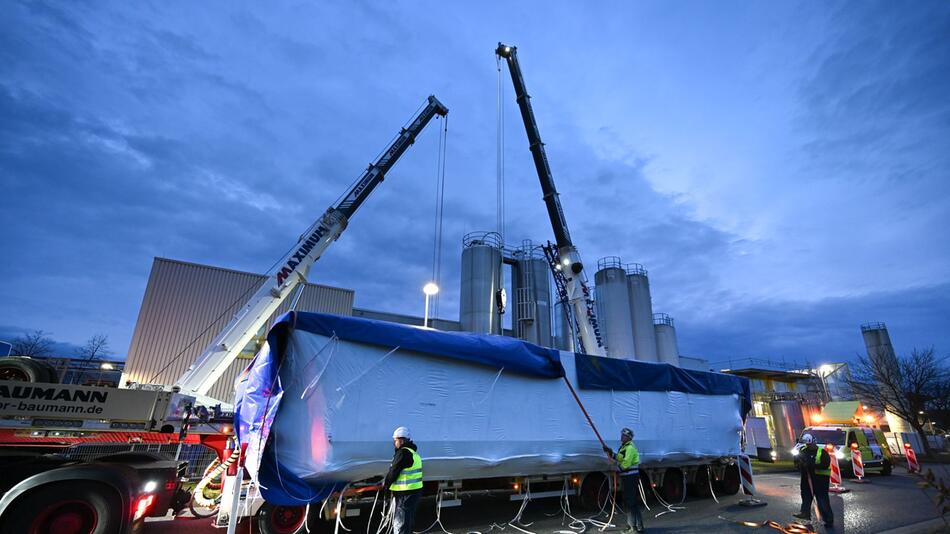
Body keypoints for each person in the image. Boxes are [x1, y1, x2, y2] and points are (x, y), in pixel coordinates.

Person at [603, 427, 644, 533]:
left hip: (630, 477)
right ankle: (637, 526)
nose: (621, 436)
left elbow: (625, 464)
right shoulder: (625, 447)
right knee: (632, 502)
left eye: (624, 435)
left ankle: (633, 527)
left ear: (628, 437)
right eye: (621, 434)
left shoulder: (630, 448)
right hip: (628, 477)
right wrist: (611, 453)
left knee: (630, 502)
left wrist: (615, 466)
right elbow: (621, 458)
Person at [384, 426, 423, 534]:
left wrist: (385, 485)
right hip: (413, 493)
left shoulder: (402, 453)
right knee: (407, 522)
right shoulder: (413, 453)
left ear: (401, 440)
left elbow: (393, 472)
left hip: (405, 494)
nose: (394, 443)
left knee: (400, 523)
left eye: (395, 440)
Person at [793, 433, 834, 528]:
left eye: (809, 444)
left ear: (814, 443)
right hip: (806, 479)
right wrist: (799, 465)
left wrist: (811, 465)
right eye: (807, 444)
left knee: (822, 500)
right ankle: (805, 514)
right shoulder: (802, 450)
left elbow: (825, 464)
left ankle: (828, 520)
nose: (808, 446)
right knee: (806, 497)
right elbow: (797, 462)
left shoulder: (821, 452)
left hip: (820, 480)